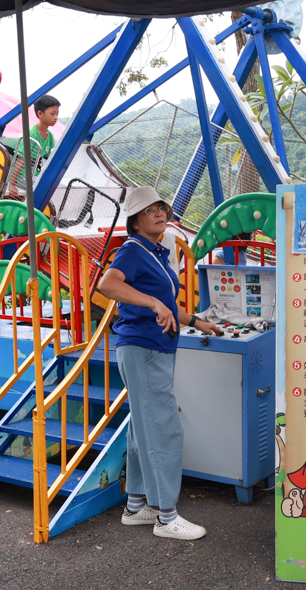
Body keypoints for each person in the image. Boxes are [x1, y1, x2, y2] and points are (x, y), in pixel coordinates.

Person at [97, 186, 221, 540]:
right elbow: (107, 284)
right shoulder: (133, 250)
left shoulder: (156, 251)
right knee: (164, 428)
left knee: (142, 428)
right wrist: (153, 303)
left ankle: (137, 506)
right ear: (135, 222)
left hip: (152, 348)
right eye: (148, 210)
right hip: (144, 349)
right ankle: (167, 518)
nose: (158, 213)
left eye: (161, 207)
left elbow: (166, 305)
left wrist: (195, 321)